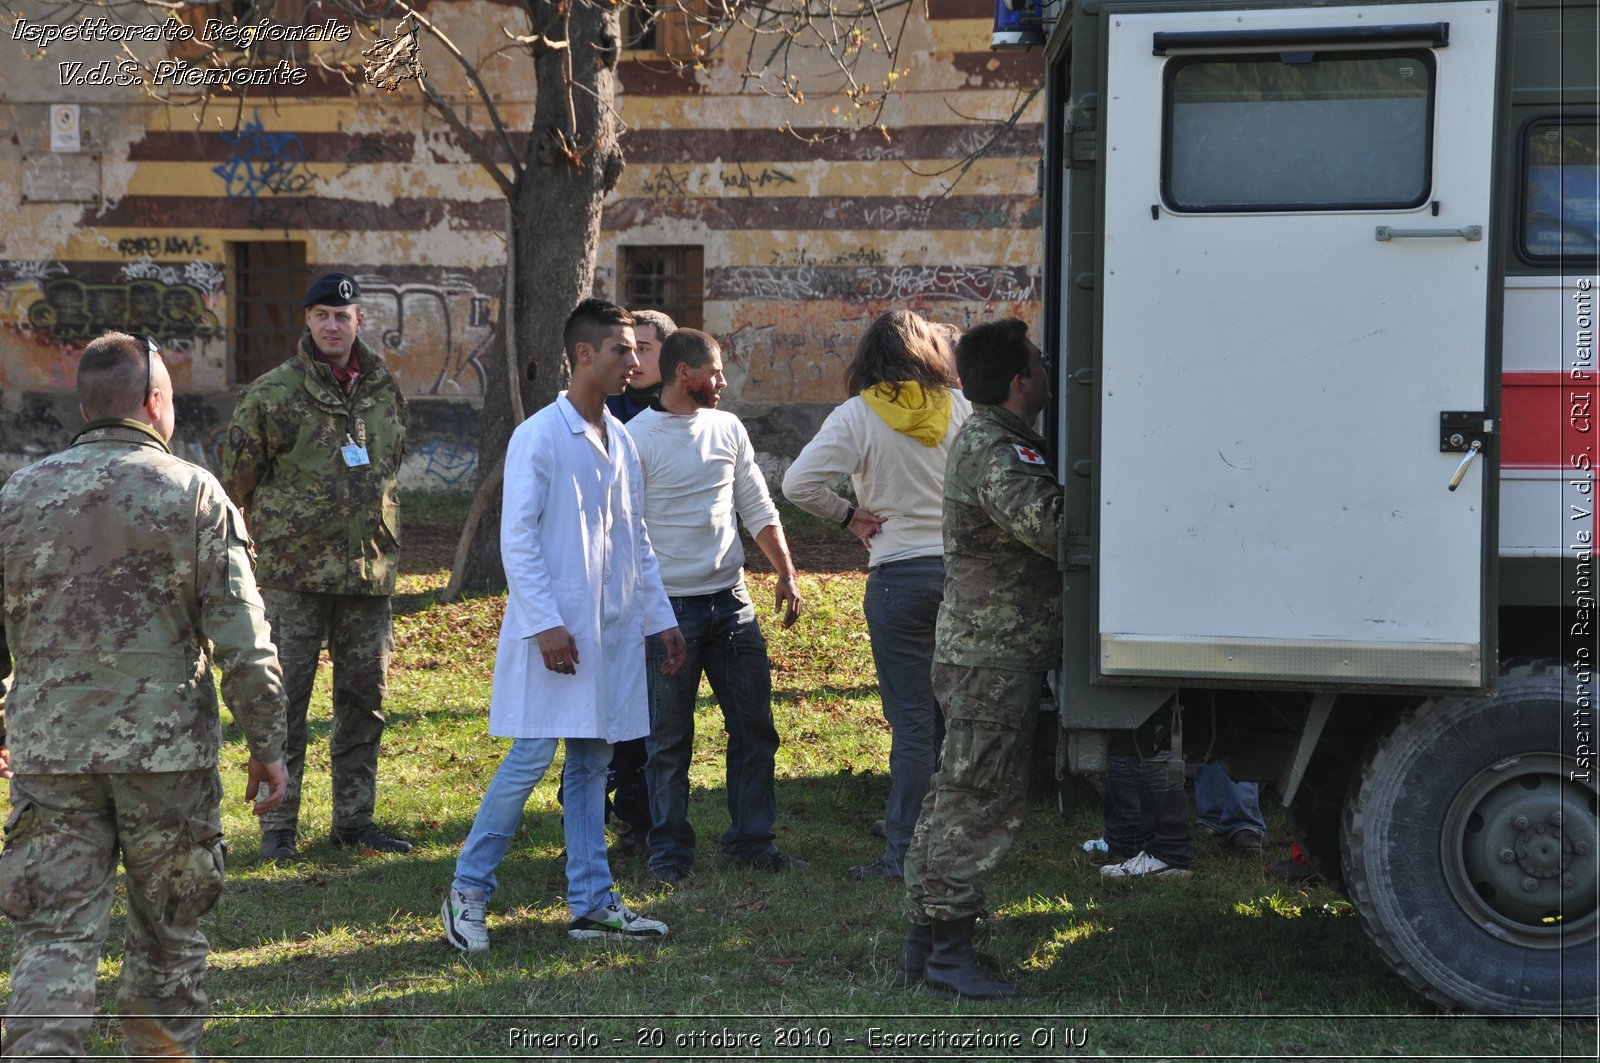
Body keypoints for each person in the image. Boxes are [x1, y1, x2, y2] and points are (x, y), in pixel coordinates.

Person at [0, 331, 289, 1057]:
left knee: (52, 937)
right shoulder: (194, 492)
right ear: (155, 403)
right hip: (167, 761)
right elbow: (245, 642)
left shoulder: (18, 495)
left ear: (85, 404)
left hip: (50, 752)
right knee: (167, 935)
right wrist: (269, 746)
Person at [440, 299, 685, 951]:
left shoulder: (623, 439)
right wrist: (546, 622)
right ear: (583, 355)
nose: (634, 360)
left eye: (636, 350)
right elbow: (515, 536)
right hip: (553, 635)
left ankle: (592, 903)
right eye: (621, 350)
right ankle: (467, 890)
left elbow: (635, 538)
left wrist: (660, 618)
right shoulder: (539, 435)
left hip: (606, 635)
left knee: (591, 759)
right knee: (530, 756)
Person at [222, 272, 411, 861]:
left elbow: (391, 464)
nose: (334, 325)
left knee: (364, 702)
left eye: (344, 316)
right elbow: (237, 480)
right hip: (291, 578)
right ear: (307, 320)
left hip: (367, 575)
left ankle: (355, 821)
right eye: (323, 314)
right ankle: (279, 828)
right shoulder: (272, 393)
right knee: (285, 703)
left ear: (360, 323)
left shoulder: (384, 390)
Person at [900, 318, 1062, 1001]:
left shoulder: (1000, 440)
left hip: (986, 652)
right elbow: (1052, 528)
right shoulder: (998, 448)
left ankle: (925, 941)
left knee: (956, 791)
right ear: (1021, 381)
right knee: (978, 800)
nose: (1049, 371)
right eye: (1040, 362)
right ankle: (948, 954)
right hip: (992, 656)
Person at [782, 309, 971, 880]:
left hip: (897, 579)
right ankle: (950, 840)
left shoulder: (859, 415)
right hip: (960, 577)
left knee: (913, 722)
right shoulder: (961, 409)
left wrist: (846, 516)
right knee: (954, 717)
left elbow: (797, 484)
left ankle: (902, 851)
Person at [625, 328, 806, 884]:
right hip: (667, 611)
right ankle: (670, 852)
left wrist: (786, 572)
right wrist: (649, 610)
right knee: (668, 740)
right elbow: (627, 531)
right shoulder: (637, 437)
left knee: (755, 727)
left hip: (731, 603)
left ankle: (752, 841)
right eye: (716, 372)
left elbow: (754, 500)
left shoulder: (728, 428)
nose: (724, 382)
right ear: (684, 374)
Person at [589, 308, 678, 852]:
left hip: (671, 580)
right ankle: (590, 811)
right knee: (606, 713)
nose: (636, 359)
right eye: (628, 348)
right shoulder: (600, 412)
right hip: (611, 583)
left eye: (647, 349)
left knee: (654, 716)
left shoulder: (683, 409)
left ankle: (644, 815)